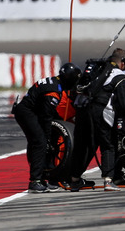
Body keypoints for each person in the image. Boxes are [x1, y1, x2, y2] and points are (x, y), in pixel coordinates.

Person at [67, 49, 125, 192]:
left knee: (83, 146)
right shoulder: (118, 75)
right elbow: (124, 102)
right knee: (108, 145)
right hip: (100, 112)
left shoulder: (95, 70)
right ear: (122, 62)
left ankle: (74, 179)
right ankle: (108, 181)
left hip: (82, 110)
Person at [13, 62, 81, 193]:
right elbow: (46, 117)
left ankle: (48, 175)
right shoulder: (54, 91)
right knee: (40, 142)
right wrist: (48, 138)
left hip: (33, 110)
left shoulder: (56, 82)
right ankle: (35, 181)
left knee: (46, 139)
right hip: (26, 112)